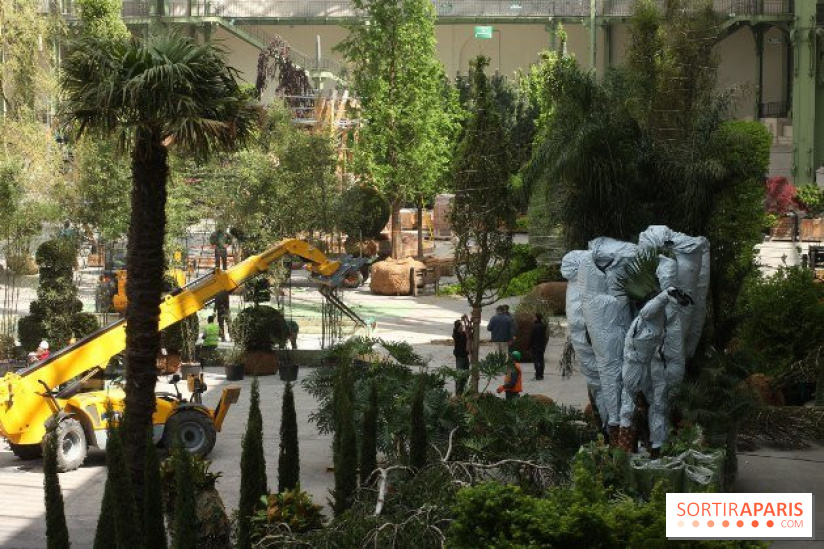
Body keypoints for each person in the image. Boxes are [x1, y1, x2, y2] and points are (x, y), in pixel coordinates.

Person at [452, 320, 469, 395]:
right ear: (458, 326)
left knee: (466, 374)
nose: (462, 326)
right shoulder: (456, 334)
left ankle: (463, 390)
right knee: (459, 374)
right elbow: (455, 331)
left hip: (465, 356)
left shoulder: (463, 333)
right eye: (460, 325)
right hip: (460, 357)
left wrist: (466, 321)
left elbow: (468, 333)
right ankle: (458, 392)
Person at [530, 313, 549, 380]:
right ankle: (541, 374)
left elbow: (532, 337)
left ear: (536, 317)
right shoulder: (543, 325)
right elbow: (545, 336)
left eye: (534, 317)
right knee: (541, 360)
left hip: (535, 346)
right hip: (541, 346)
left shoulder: (534, 326)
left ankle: (537, 374)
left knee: (536, 361)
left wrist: (529, 345)